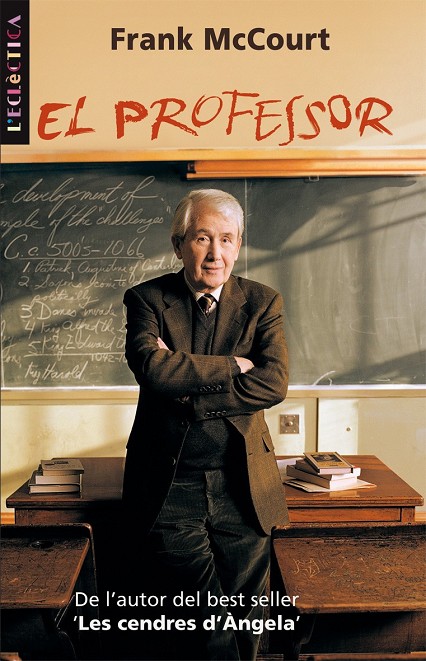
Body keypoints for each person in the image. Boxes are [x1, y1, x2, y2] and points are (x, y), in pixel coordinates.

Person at [122, 189, 289, 660]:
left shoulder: (263, 302)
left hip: (244, 483)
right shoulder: (147, 299)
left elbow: (274, 383)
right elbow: (153, 370)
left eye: (227, 239)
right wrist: (235, 365)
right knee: (204, 619)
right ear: (178, 245)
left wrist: (189, 395)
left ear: (238, 245)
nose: (216, 253)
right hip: (170, 484)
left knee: (248, 614)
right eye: (202, 238)